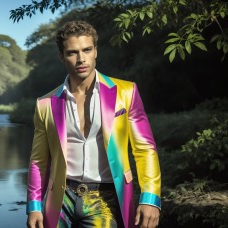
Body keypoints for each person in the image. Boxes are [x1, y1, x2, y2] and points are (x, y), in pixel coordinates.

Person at [26, 21, 161, 228]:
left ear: (96, 51)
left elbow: (145, 149)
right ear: (62, 57)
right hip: (61, 200)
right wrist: (34, 206)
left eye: (87, 50)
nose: (81, 59)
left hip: (106, 199)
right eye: (72, 53)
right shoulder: (45, 104)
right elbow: (39, 161)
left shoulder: (125, 92)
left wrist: (150, 197)